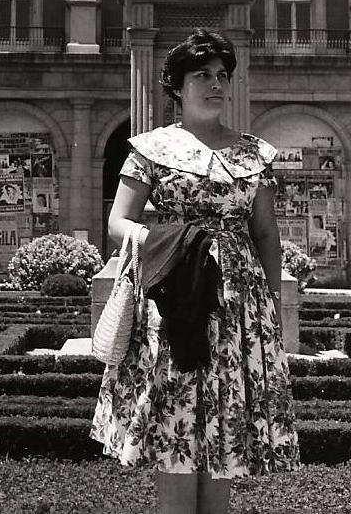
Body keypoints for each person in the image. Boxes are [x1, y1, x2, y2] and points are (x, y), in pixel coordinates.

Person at [91, 30, 300, 514]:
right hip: (174, 299)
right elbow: (118, 221)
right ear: (177, 87)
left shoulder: (254, 154)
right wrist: (172, 241)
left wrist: (270, 310)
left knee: (223, 432)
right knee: (176, 423)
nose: (215, 84)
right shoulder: (150, 148)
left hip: (238, 310)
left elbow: (266, 235)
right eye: (202, 75)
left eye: (222, 76)